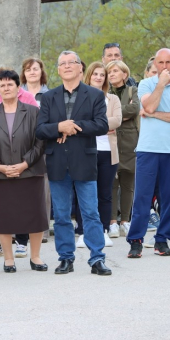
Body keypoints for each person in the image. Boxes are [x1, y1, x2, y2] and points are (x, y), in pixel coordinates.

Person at [36, 50, 112, 276]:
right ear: (58, 70)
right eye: (63, 63)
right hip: (58, 162)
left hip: (85, 161)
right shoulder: (48, 97)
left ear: (81, 68)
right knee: (60, 215)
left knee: (90, 213)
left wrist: (72, 126)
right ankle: (66, 258)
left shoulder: (95, 95)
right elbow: (40, 130)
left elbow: (101, 125)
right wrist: (59, 127)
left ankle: (97, 258)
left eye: (72, 62)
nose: (67, 66)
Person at [0, 69, 48, 273]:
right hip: (1, 174)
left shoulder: (33, 111)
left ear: (19, 88)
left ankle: (35, 257)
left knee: (35, 215)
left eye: (10, 84)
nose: (6, 88)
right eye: (2, 85)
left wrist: (24, 164)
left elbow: (40, 141)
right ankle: (8, 259)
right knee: (4, 217)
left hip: (29, 171)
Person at [127, 48, 170, 258]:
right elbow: (149, 105)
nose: (164, 66)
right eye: (160, 62)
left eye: (167, 62)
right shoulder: (146, 84)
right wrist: (161, 84)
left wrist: (154, 114)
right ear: (155, 65)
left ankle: (162, 240)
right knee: (142, 196)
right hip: (147, 149)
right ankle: (136, 240)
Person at [75, 62, 122, 247]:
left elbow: (117, 120)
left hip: (108, 153)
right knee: (84, 193)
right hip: (86, 152)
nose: (99, 77)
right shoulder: (80, 98)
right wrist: (101, 126)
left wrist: (93, 125)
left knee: (105, 194)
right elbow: (78, 122)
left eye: (102, 75)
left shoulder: (113, 100)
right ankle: (83, 231)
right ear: (89, 75)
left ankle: (102, 231)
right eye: (95, 74)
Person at [106, 60, 139, 237]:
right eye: (109, 72)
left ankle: (125, 220)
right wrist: (119, 115)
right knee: (112, 181)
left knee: (128, 182)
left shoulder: (133, 90)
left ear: (124, 74)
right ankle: (112, 222)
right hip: (110, 138)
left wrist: (116, 114)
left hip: (129, 141)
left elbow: (135, 109)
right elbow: (102, 114)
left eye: (115, 71)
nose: (111, 74)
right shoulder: (105, 93)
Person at [20, 57, 51, 243]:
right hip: (20, 147)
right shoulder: (16, 94)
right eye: (28, 69)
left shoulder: (49, 95)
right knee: (21, 189)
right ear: (23, 73)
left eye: (35, 69)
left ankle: (43, 230)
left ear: (42, 72)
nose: (32, 72)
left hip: (44, 146)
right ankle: (21, 231)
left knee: (43, 189)